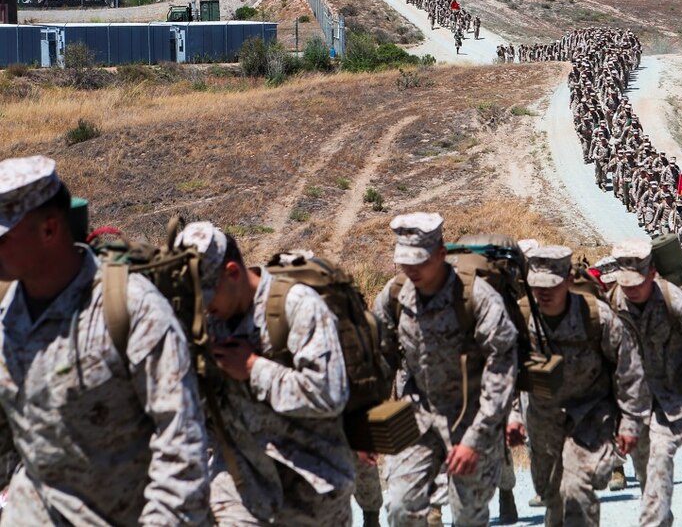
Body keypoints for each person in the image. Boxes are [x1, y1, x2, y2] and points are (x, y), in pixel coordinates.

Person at [0, 155, 210, 523]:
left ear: (49, 230)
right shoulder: (8, 318)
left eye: (3, 237)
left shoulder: (131, 310)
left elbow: (181, 449)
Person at [176, 222, 355, 525]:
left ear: (232, 272)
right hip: (242, 481)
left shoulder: (297, 306)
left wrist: (253, 369)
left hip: (312, 483)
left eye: (208, 293)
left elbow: (329, 394)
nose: (204, 307)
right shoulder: (205, 324)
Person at [374, 213, 517, 527]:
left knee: (468, 517)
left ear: (441, 254)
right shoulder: (394, 296)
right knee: (400, 508)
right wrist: (363, 429)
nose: (411, 269)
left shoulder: (477, 297)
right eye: (404, 261)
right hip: (417, 417)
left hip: (473, 419)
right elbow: (379, 362)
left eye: (420, 261)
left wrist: (475, 438)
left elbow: (502, 369)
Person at [506, 245, 649, 526]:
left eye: (552, 285)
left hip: (591, 415)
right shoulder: (521, 319)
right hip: (543, 419)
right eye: (537, 286)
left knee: (576, 491)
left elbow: (628, 370)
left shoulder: (596, 317)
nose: (543, 293)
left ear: (569, 280)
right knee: (551, 493)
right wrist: (512, 414)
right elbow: (505, 370)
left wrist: (630, 423)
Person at [607, 239, 682, 527]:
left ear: (651, 274)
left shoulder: (677, 302)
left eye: (637, 282)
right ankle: (661, 517)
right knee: (645, 467)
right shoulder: (612, 304)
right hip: (638, 401)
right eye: (625, 283)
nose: (630, 289)